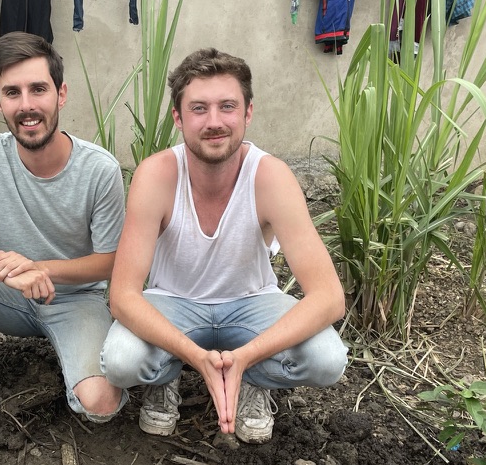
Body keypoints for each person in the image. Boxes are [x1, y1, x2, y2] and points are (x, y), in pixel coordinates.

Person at [102, 48, 348, 444]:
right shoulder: (157, 175)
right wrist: (193, 356)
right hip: (173, 301)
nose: (214, 122)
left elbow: (329, 298)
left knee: (328, 360)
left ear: (247, 113)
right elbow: (123, 296)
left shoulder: (270, 177)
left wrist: (249, 356)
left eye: (227, 107)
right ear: (178, 118)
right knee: (120, 361)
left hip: (252, 302)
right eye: (199, 108)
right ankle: (166, 380)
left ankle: (250, 378)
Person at [0, 32, 126, 444]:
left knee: (100, 405)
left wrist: (39, 268)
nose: (27, 105)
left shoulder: (99, 170)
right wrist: (4, 270)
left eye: (38, 89)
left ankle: (75, 358)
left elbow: (111, 261)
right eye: (12, 92)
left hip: (76, 299)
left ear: (61, 94)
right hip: (9, 296)